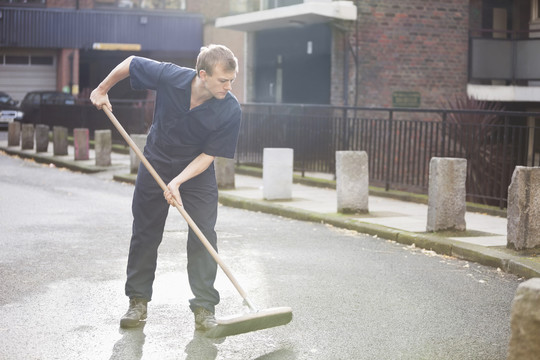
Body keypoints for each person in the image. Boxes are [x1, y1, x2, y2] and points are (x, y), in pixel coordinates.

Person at [90, 45, 242, 331]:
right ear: (202, 75)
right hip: (156, 160)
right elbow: (132, 62)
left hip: (196, 171)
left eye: (231, 80)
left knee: (203, 235)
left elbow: (209, 155)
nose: (228, 86)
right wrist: (102, 88)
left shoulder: (230, 108)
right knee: (145, 231)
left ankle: (204, 307)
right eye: (223, 80)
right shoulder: (171, 76)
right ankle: (137, 302)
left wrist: (178, 181)